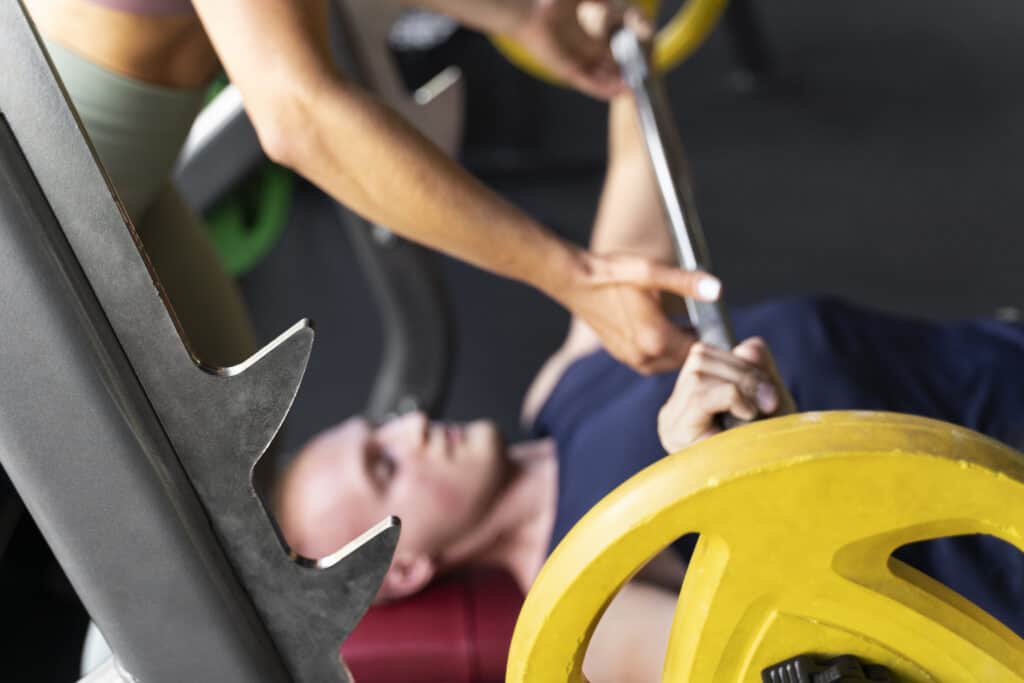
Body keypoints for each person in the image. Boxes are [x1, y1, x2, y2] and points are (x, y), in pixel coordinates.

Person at [274, 94, 1024, 681]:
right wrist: (726, 474)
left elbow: (639, 203)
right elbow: (813, 656)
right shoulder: (594, 608)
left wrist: (620, 55)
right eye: (385, 466)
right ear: (405, 568)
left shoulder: (559, 391)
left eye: (382, 427)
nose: (412, 431)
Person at [24, 0, 720, 373]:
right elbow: (299, 117)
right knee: (179, 522)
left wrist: (526, 15)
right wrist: (574, 275)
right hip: (34, 208)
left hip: (119, 185)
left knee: (233, 500)